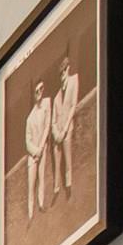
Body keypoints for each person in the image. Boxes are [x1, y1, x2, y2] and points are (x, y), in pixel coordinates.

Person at [52, 55, 82, 202]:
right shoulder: (57, 96)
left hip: (67, 128)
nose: (62, 75)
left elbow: (72, 106)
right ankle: (56, 188)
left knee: (67, 156)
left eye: (64, 71)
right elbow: (53, 121)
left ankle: (68, 185)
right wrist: (57, 133)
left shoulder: (74, 80)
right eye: (60, 73)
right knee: (56, 157)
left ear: (68, 69)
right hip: (58, 132)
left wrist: (64, 130)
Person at [23, 79, 52, 217]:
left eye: (41, 89)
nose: (40, 92)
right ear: (34, 95)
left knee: (41, 177)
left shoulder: (47, 103)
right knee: (31, 185)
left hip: (42, 149)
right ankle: (30, 213)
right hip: (33, 156)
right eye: (37, 91)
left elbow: (47, 126)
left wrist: (41, 148)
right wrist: (36, 151)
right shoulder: (29, 118)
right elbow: (27, 141)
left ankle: (41, 204)